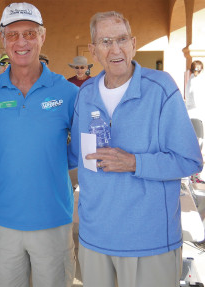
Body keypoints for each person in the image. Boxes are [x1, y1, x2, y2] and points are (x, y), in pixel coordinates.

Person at [68, 11, 203, 287]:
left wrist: (134, 162)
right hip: (95, 236)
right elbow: (77, 155)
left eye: (122, 39)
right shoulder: (86, 93)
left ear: (133, 43)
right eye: (105, 41)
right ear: (93, 51)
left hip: (149, 241)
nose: (115, 49)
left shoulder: (161, 89)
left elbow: (190, 160)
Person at [0, 3, 78, 287]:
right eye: (13, 34)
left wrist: (51, 162)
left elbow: (81, 149)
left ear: (42, 36)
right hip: (2, 219)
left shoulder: (68, 92)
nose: (22, 42)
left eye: (30, 33)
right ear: (3, 39)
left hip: (53, 218)